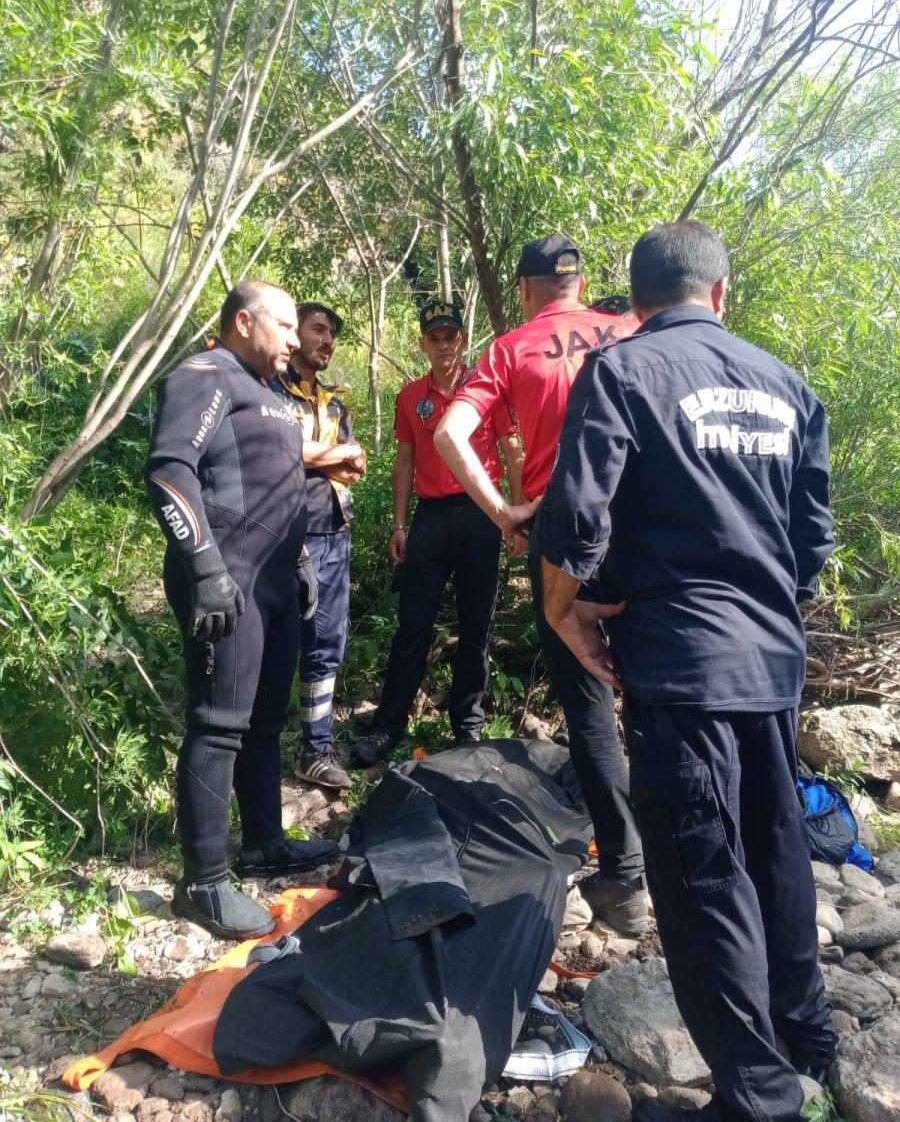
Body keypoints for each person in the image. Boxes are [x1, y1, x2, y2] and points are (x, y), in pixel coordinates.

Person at [538, 221, 837, 1122]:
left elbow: (576, 517)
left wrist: (561, 608)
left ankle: (758, 1096)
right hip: (771, 662)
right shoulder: (788, 388)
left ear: (633, 302)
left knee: (703, 881)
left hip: (680, 667)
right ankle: (808, 1042)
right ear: (722, 292)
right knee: (775, 856)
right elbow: (812, 546)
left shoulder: (624, 371)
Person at [434, 234, 647, 934]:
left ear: (525, 290)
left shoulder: (510, 348)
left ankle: (624, 875)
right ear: (581, 283)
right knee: (660, 688)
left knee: (588, 706)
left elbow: (448, 436)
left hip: (562, 533)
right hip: (648, 527)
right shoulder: (634, 328)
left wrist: (502, 512)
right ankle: (689, 855)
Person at [145, 280, 338, 941]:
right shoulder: (206, 374)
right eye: (284, 326)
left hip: (277, 580)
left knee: (263, 722)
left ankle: (263, 844)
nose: (294, 338)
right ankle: (201, 883)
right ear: (245, 320)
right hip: (224, 577)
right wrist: (205, 570)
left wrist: (303, 565)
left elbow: (276, 486)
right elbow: (171, 471)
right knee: (219, 722)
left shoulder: (272, 393)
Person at [350, 299, 523, 767]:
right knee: (413, 623)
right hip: (429, 516)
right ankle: (389, 724)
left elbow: (510, 448)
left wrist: (517, 513)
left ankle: (467, 724)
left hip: (481, 515)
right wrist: (400, 523)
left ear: (462, 340)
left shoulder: (487, 389)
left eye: (451, 336)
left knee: (476, 623)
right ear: (422, 344)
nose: (444, 344)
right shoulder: (410, 397)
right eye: (435, 337)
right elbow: (404, 461)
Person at [272, 302, 365, 791]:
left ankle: (316, 748)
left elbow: (348, 464)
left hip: (334, 531)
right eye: (318, 330)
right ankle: (256, 750)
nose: (326, 340)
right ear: (294, 333)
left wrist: (335, 458)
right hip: (287, 533)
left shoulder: (334, 404)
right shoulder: (270, 391)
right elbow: (278, 451)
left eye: (332, 334)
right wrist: (336, 456)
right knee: (278, 644)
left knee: (326, 645)